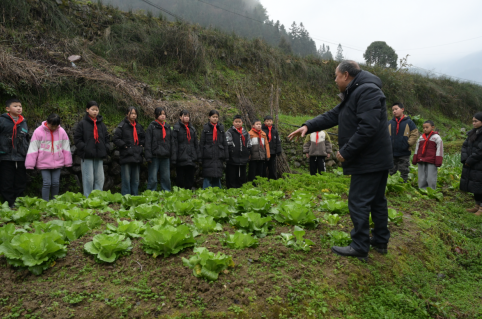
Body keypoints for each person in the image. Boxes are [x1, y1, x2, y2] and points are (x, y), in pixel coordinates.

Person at [288, 60, 393, 261]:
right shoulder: (356, 92)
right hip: (375, 158)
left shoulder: (366, 91)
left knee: (358, 201)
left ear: (345, 75)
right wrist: (308, 126)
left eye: (336, 76)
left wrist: (347, 151)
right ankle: (380, 240)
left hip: (369, 159)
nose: (335, 80)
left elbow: (368, 127)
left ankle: (360, 246)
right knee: (377, 201)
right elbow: (334, 115)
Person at [25, 114, 72, 201]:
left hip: (58, 162)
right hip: (44, 162)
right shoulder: (38, 131)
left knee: (56, 183)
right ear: (47, 122)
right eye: (52, 125)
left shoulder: (61, 131)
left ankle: (54, 202)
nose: (54, 128)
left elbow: (66, 147)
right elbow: (33, 148)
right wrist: (30, 164)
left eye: (56, 126)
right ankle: (45, 203)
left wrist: (68, 162)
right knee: (46, 183)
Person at [74, 101, 110, 197]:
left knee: (100, 178)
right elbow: (77, 139)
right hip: (87, 156)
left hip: (99, 155)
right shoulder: (82, 124)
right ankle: (88, 198)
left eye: (96, 110)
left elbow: (107, 138)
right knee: (88, 178)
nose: (95, 112)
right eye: (92, 109)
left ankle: (97, 198)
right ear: (87, 110)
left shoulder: (101, 125)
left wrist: (106, 147)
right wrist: (85, 148)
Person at [0, 98, 30, 207]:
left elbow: (26, 138)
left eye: (20, 106)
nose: (19, 108)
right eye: (15, 106)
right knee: (6, 181)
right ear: (7, 108)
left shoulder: (23, 122)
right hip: (6, 156)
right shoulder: (2, 121)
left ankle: (18, 201)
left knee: (20, 180)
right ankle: (9, 202)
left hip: (21, 157)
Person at [113, 107, 145, 196]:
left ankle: (135, 196)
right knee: (126, 178)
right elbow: (116, 138)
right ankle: (126, 196)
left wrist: (141, 145)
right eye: (132, 113)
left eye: (135, 113)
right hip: (126, 155)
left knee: (136, 179)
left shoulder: (138, 126)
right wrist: (124, 146)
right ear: (127, 114)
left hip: (137, 154)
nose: (134, 115)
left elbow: (143, 137)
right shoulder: (122, 125)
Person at [388, 103, 418, 182]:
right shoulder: (390, 123)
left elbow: (414, 133)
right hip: (392, 152)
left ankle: (403, 184)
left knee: (403, 169)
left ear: (402, 109)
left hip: (404, 152)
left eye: (396, 109)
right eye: (393, 110)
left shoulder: (409, 122)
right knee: (391, 170)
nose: (394, 111)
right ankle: (392, 185)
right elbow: (384, 135)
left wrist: (408, 144)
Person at [199, 110, 229, 189]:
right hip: (208, 155)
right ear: (209, 117)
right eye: (213, 117)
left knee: (217, 175)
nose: (215, 119)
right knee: (207, 175)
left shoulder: (221, 129)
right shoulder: (205, 128)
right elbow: (202, 143)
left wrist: (226, 156)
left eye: (216, 117)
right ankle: (205, 191)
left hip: (218, 155)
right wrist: (200, 157)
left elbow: (224, 143)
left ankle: (218, 191)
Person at [145, 107, 172, 192]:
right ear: (156, 115)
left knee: (166, 176)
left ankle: (166, 191)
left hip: (165, 155)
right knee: (153, 177)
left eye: (164, 114)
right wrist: (148, 156)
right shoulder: (152, 126)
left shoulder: (167, 127)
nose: (163, 116)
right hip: (154, 155)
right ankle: (151, 192)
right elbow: (148, 142)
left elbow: (171, 141)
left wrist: (171, 152)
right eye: (160, 114)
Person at [460, 112, 482, 215]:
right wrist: (465, 159)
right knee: (475, 185)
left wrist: (469, 160)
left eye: (476, 121)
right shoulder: (472, 133)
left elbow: (480, 151)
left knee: (480, 185)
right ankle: (477, 206)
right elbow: (464, 146)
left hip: (479, 164)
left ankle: (481, 208)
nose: (473, 123)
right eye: (473, 121)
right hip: (472, 165)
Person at [172, 110, 199, 190]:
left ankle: (189, 192)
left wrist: (197, 156)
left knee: (190, 177)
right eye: (185, 116)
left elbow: (195, 144)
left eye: (188, 116)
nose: (187, 118)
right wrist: (174, 158)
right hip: (180, 157)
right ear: (180, 117)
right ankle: (180, 193)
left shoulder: (192, 129)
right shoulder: (176, 128)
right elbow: (174, 144)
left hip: (191, 157)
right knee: (180, 177)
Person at [412, 120, 443, 190]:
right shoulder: (421, 137)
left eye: (427, 127)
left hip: (431, 160)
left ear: (432, 127)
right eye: (423, 128)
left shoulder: (436, 137)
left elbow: (440, 149)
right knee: (421, 176)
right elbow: (417, 148)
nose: (425, 129)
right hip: (421, 159)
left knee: (431, 176)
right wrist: (415, 158)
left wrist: (438, 160)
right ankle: (422, 190)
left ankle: (431, 190)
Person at [225, 115, 251, 188]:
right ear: (233, 122)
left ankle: (241, 186)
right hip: (232, 157)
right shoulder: (229, 132)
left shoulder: (245, 133)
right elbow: (228, 143)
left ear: (242, 123)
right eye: (236, 122)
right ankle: (231, 187)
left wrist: (248, 151)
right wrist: (231, 152)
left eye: (239, 122)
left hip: (243, 157)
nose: (238, 123)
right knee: (232, 173)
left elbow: (249, 143)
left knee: (242, 173)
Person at [262, 115, 282, 179]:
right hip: (264, 152)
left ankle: (272, 179)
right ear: (264, 122)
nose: (268, 122)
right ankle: (263, 179)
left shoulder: (274, 131)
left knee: (272, 167)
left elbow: (277, 141)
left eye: (270, 121)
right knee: (263, 166)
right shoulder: (262, 130)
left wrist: (278, 150)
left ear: (272, 122)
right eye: (267, 121)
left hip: (272, 152)